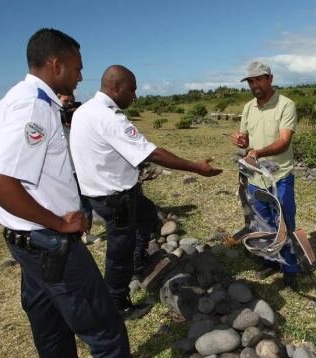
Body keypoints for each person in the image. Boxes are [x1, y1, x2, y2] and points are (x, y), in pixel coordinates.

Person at [0, 28, 137, 358]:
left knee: (50, 325)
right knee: (105, 328)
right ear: (56, 64)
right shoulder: (35, 106)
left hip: (23, 243)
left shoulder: (12, 98)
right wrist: (57, 222)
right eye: (77, 67)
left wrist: (30, 200)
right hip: (50, 243)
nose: (80, 76)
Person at [69, 65, 222, 316]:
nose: (135, 96)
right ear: (116, 87)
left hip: (103, 192)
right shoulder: (109, 117)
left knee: (148, 214)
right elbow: (152, 153)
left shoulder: (85, 110)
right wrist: (196, 168)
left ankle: (138, 260)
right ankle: (117, 302)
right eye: (132, 90)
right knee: (119, 250)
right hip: (115, 198)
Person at [231, 61, 300, 290]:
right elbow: (246, 139)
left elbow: (284, 141)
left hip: (279, 176)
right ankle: (271, 261)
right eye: (251, 81)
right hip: (255, 178)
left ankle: (290, 269)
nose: (255, 85)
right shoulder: (249, 107)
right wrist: (243, 141)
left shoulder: (285, 105)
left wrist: (258, 152)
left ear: (270, 79)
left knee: (284, 224)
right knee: (262, 224)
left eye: (259, 79)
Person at [58, 92, 101, 245]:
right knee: (66, 204)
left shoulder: (79, 122)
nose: (69, 104)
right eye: (65, 101)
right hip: (63, 171)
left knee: (85, 203)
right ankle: (69, 232)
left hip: (80, 169)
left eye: (72, 101)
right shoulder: (52, 122)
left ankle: (86, 233)